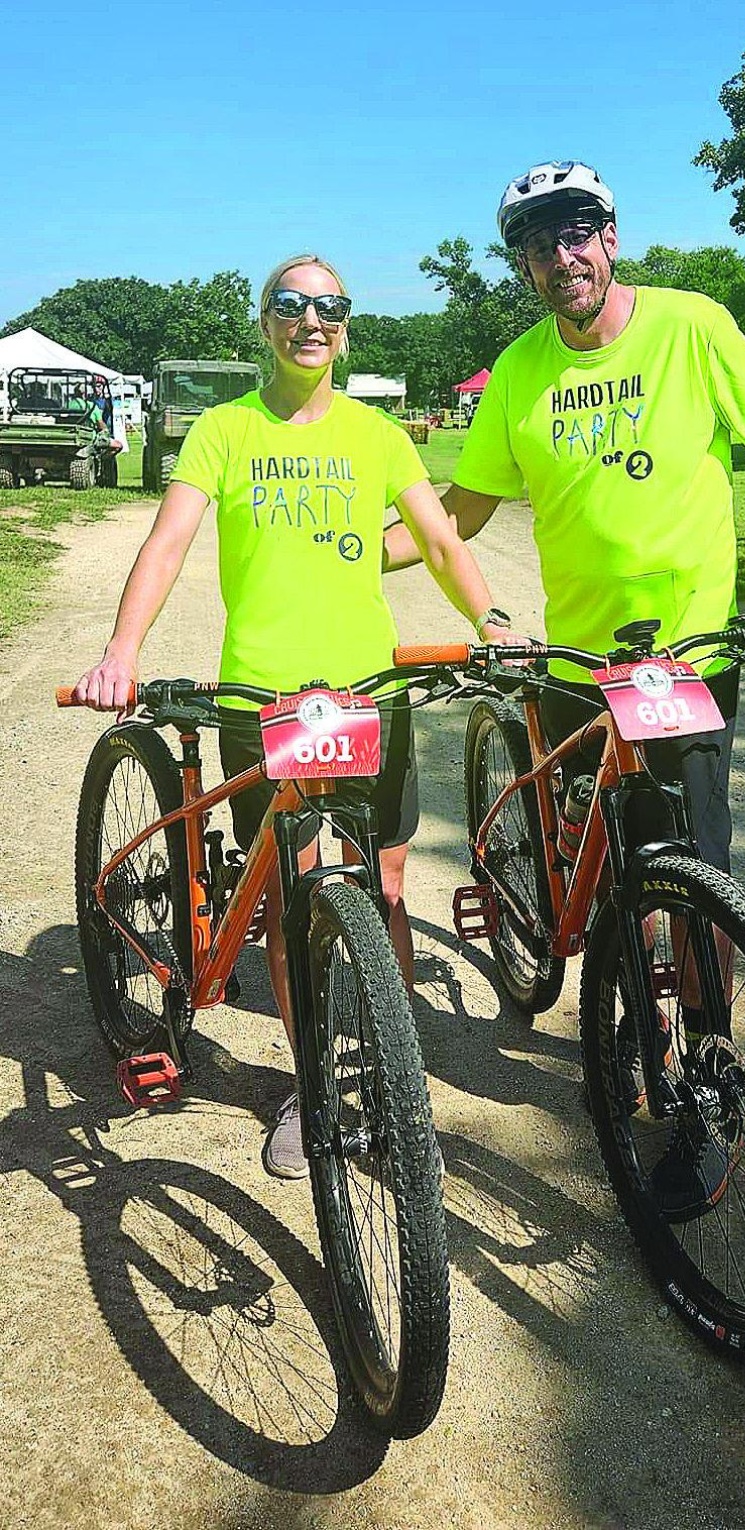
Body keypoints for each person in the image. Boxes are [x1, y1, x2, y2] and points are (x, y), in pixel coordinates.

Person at [74, 251, 520, 1179]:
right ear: (266, 322)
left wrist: (492, 622)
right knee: (293, 890)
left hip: (370, 694)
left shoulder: (377, 433)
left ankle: (392, 1078)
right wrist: (123, 649)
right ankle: (311, 1082)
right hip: (266, 696)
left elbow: (440, 540)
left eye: (330, 307)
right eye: (291, 304)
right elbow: (168, 543)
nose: (312, 320)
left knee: (384, 887)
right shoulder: (225, 429)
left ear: (345, 327)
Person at [384, 159, 745, 879]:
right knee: (595, 872)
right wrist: (353, 552)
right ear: (526, 268)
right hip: (577, 665)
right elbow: (459, 513)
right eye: (540, 248)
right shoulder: (517, 370)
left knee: (701, 870)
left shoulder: (692, 325)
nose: (563, 258)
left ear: (611, 240)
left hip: (689, 662)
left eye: (577, 235)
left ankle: (696, 959)